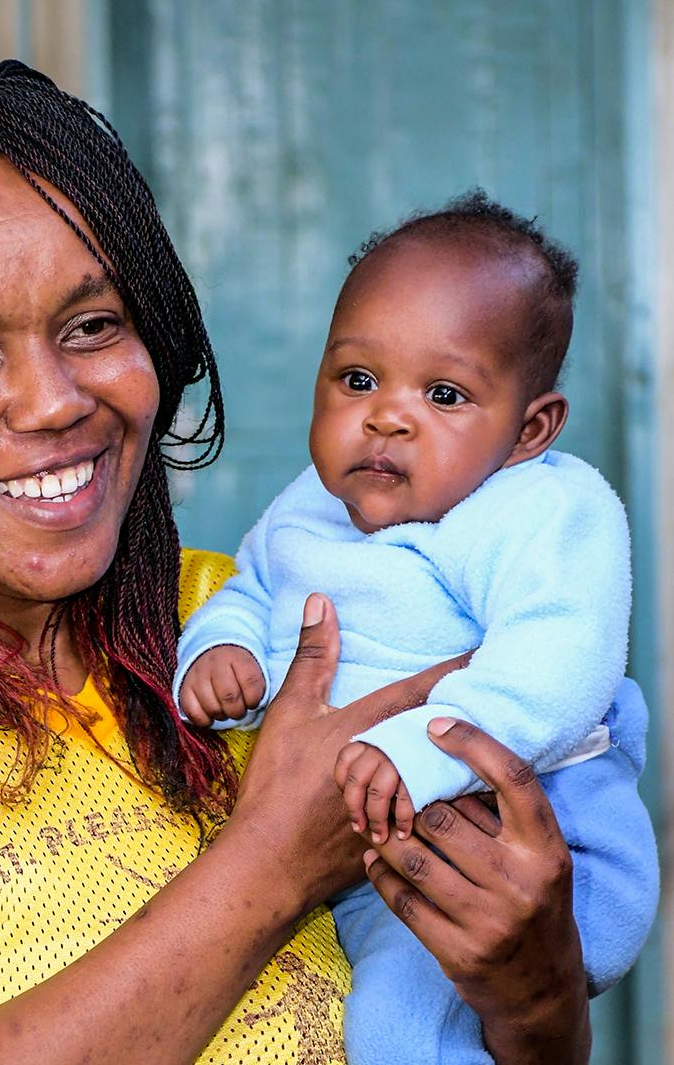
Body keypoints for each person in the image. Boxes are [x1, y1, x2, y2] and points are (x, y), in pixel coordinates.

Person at [0, 44, 597, 1064]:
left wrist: (539, 1004)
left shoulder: (264, 630)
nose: (58, 402)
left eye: (93, 325)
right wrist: (272, 866)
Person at [174, 194, 658, 1063]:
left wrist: (425, 750)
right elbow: (256, 586)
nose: (386, 416)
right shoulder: (313, 505)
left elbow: (562, 657)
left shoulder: (538, 506)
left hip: (513, 835)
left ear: (529, 429)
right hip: (362, 841)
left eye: (444, 393)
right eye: (357, 380)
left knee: (398, 1022)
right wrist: (222, 649)